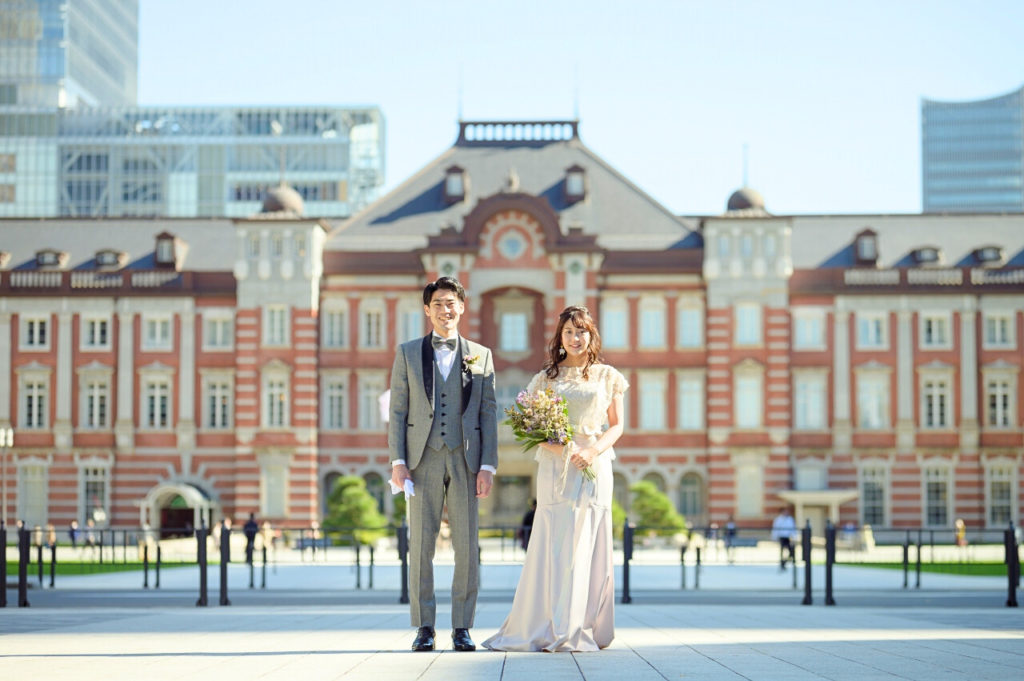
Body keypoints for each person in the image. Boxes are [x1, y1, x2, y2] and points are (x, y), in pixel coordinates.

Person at [484, 305, 628, 652]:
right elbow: (528, 423)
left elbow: (618, 425)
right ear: (559, 338)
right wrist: (557, 446)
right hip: (555, 465)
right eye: (568, 332)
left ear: (591, 335)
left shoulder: (608, 376)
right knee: (556, 541)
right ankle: (552, 623)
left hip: (595, 463)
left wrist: (591, 452)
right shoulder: (546, 378)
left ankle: (582, 624)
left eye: (581, 331)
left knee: (588, 540)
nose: (575, 338)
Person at [389, 276, 498, 653]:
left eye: (451, 303)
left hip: (467, 460)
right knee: (421, 545)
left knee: (467, 546)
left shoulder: (480, 355)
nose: (445, 310)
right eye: (438, 304)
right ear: (427, 310)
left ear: (462, 307)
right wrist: (398, 461)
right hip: (421, 459)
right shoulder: (407, 353)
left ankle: (462, 627)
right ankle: (424, 626)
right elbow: (398, 411)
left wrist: (489, 466)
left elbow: (487, 413)